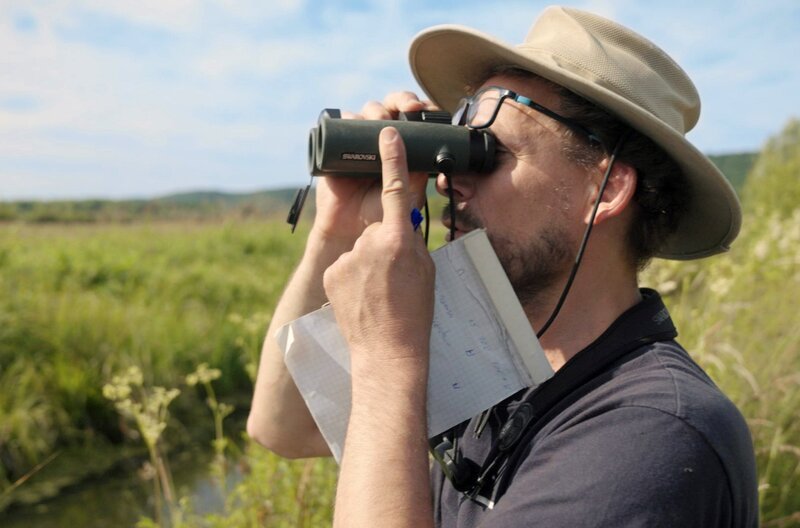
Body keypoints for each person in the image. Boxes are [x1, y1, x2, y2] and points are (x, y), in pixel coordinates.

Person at [248, 6, 758, 527]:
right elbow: (284, 426)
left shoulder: (651, 435)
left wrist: (387, 356)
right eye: (458, 144)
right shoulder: (497, 364)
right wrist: (337, 228)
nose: (449, 180)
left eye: (490, 152)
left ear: (604, 190)